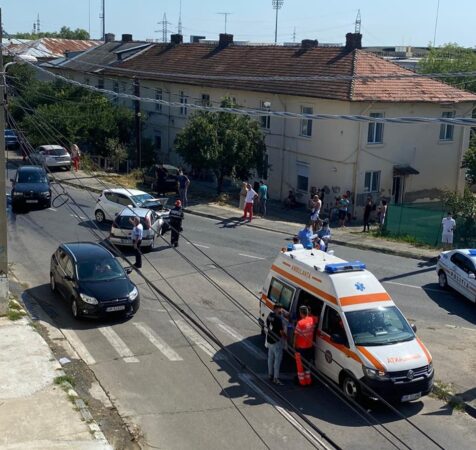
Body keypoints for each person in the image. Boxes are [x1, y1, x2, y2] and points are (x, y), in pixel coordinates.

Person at [294, 305, 318, 386]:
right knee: (307, 363)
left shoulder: (300, 323)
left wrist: (294, 345)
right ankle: (308, 380)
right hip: (309, 346)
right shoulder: (312, 319)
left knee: (300, 364)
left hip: (301, 347)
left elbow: (296, 335)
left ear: (301, 313)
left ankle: (302, 382)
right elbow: (316, 319)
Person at [266, 303, 286, 385]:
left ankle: (270, 374)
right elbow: (281, 332)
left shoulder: (269, 315)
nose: (281, 310)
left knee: (270, 358)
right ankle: (276, 378)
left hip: (269, 339)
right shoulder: (278, 319)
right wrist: (286, 337)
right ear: (277, 309)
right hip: (276, 341)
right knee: (277, 360)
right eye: (280, 309)